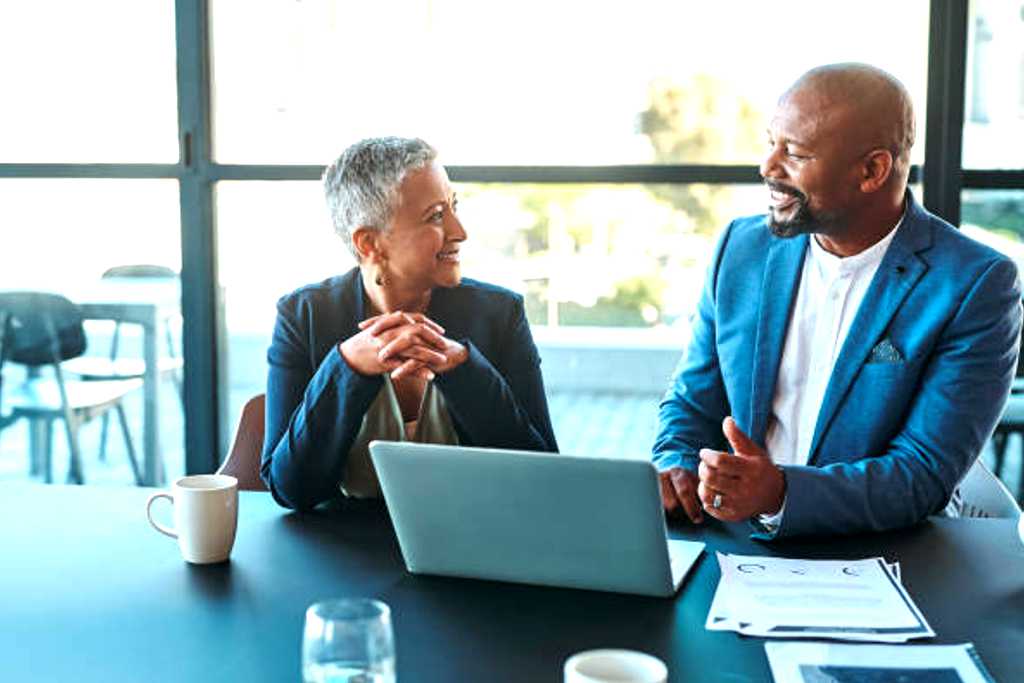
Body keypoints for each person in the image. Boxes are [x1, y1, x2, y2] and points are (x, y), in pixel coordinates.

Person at [653, 63, 1022, 539]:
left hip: (883, 557)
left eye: (795, 153)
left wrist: (782, 493)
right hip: (732, 539)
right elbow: (691, 401)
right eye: (771, 143)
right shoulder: (740, 249)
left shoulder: (975, 285)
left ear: (872, 171)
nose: (768, 167)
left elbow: (924, 472)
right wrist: (676, 464)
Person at [262, 137, 558, 510]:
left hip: (479, 541)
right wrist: (345, 368)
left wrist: (465, 369)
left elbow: (543, 471)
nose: (459, 230)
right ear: (370, 244)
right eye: (436, 215)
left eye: (454, 206)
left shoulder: (500, 314)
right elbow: (290, 490)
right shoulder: (302, 316)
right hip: (345, 553)